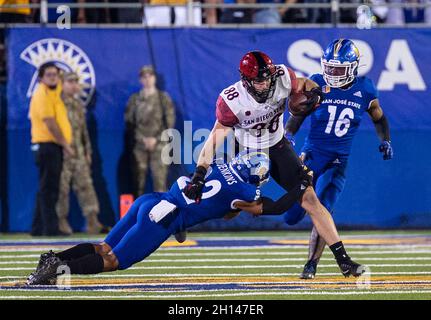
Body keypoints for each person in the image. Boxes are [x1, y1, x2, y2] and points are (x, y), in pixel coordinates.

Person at [26, 151, 363, 285]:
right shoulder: (245, 192)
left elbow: (215, 200)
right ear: (257, 176)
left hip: (152, 199)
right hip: (165, 216)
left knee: (103, 246)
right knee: (115, 261)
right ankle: (59, 271)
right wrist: (302, 186)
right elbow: (272, 209)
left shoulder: (218, 163)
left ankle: (55, 258)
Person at [183, 50, 364, 277]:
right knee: (229, 209)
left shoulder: (282, 76)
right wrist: (199, 174)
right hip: (246, 152)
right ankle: (186, 218)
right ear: (246, 81)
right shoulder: (232, 101)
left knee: (311, 200)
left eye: (268, 77)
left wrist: (314, 93)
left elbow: (304, 83)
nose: (266, 83)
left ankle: (344, 261)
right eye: (259, 80)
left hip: (277, 146)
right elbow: (213, 140)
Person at [284, 39, 393, 279]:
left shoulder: (365, 89)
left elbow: (379, 118)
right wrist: (288, 134)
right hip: (311, 157)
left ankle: (311, 264)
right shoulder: (317, 82)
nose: (332, 74)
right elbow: (299, 114)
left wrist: (386, 139)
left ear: (353, 67)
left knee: (324, 210)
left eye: (339, 69)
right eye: (330, 68)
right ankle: (319, 260)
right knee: (291, 216)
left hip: (337, 161)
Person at [56, 72, 106, 235]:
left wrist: (87, 151)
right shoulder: (56, 102)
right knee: (61, 189)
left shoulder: (78, 104)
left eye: (76, 82)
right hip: (62, 153)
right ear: (62, 83)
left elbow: (83, 131)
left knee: (86, 187)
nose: (74, 85)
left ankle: (93, 222)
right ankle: (61, 222)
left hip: (78, 153)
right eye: (70, 81)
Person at [29, 62, 74, 236]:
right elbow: (50, 123)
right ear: (40, 78)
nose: (53, 77)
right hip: (48, 146)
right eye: (48, 74)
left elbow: (61, 78)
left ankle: (37, 228)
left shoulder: (55, 90)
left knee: (46, 187)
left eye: (55, 74)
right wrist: (65, 144)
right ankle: (50, 229)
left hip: (51, 146)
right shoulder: (42, 94)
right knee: (50, 189)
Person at [124, 65, 175, 196]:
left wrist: (155, 139)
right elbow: (129, 123)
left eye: (150, 76)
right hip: (139, 146)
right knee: (137, 185)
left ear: (155, 78)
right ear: (140, 79)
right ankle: (138, 214)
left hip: (160, 146)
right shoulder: (134, 99)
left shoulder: (163, 98)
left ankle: (162, 215)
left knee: (160, 185)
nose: (147, 79)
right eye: (144, 77)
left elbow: (169, 122)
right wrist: (142, 139)